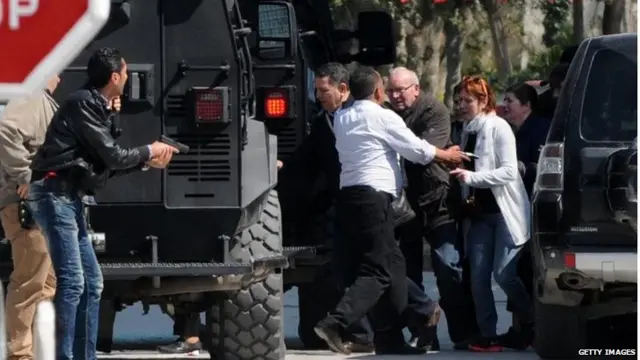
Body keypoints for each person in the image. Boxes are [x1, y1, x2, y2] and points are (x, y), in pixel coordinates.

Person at [27, 47, 179, 360]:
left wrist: (146, 161)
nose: (126, 77)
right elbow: (112, 155)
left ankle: (85, 355)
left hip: (68, 196)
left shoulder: (96, 106)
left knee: (92, 282)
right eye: (124, 73)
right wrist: (149, 151)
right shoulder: (82, 103)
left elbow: (104, 162)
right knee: (72, 282)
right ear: (114, 76)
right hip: (54, 194)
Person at [282, 62, 441, 353]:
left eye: (323, 91)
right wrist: (281, 167)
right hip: (350, 204)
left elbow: (415, 151)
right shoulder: (328, 122)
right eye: (316, 91)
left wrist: (441, 154)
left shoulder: (366, 116)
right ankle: (404, 323)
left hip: (374, 201)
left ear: (344, 90)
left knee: (378, 270)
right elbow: (304, 161)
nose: (319, 97)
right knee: (379, 269)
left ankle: (384, 325)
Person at [313, 66, 467, 355]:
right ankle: (336, 321)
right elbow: (417, 151)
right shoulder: (383, 117)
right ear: (378, 92)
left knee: (394, 265)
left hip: (351, 199)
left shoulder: (343, 117)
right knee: (379, 272)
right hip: (375, 200)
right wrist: (447, 154)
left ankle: (395, 334)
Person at [386, 67, 479, 349]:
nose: (395, 95)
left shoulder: (434, 110)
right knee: (409, 276)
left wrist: (396, 144)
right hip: (404, 209)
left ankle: (464, 334)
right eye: (391, 90)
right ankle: (424, 334)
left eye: (401, 90)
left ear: (416, 88)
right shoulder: (386, 114)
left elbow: (423, 153)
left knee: (449, 269)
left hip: (439, 203)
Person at [450, 75, 533, 352]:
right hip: (479, 215)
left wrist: (471, 178)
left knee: (504, 273)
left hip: (505, 213)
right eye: (458, 100)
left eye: (467, 100)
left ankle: (533, 320)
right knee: (478, 276)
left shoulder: (498, 127)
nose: (461, 105)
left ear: (484, 100)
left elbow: (510, 171)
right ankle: (487, 334)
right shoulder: (465, 129)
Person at [0, 75, 60, 360]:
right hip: (26, 206)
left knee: (44, 284)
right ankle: (20, 354)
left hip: (42, 205)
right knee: (28, 282)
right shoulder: (31, 97)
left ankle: (35, 351)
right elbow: (4, 129)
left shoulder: (41, 99)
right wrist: (26, 176)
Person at [499, 82, 551, 349]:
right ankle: (520, 329)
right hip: (517, 209)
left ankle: (531, 326)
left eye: (510, 100)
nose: (504, 105)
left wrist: (517, 168)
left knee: (518, 271)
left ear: (527, 106)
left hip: (534, 210)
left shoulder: (540, 129)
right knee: (518, 270)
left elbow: (542, 169)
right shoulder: (514, 132)